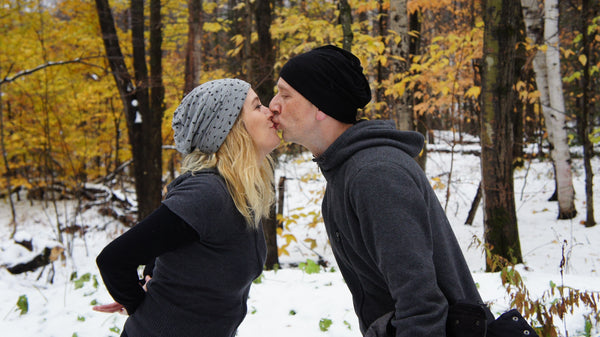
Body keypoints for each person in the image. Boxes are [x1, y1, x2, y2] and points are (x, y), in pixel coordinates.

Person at [269, 45, 538, 337]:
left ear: (321, 106)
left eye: (286, 95)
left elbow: (421, 306)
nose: (274, 104)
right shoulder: (347, 172)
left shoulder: (375, 175)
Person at [93, 78, 280, 337]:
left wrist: (151, 277)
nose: (270, 111)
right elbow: (114, 259)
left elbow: (174, 241)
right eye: (257, 106)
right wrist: (140, 305)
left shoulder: (237, 193)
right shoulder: (208, 193)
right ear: (228, 127)